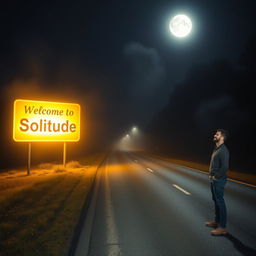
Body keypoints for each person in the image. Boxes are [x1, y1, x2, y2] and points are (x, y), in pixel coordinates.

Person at [205, 129, 229, 236]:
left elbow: (225, 166)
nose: (215, 135)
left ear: (222, 138)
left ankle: (222, 227)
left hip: (219, 180)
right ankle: (216, 222)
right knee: (216, 200)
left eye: (217, 134)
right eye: (215, 133)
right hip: (214, 179)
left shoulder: (223, 150)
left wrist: (216, 177)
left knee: (220, 202)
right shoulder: (216, 149)